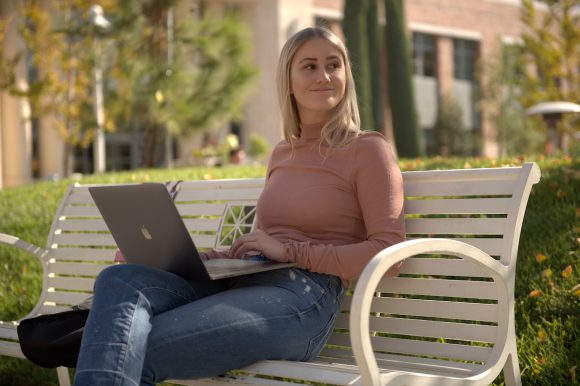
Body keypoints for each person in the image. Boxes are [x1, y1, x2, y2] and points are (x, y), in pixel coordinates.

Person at [73, 26, 405, 385]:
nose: (324, 76)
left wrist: (291, 250)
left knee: (132, 345)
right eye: (309, 66)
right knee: (121, 279)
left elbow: (390, 254)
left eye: (333, 65)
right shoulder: (283, 152)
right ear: (289, 82)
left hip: (304, 298)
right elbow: (267, 242)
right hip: (245, 281)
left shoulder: (368, 149)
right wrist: (202, 257)